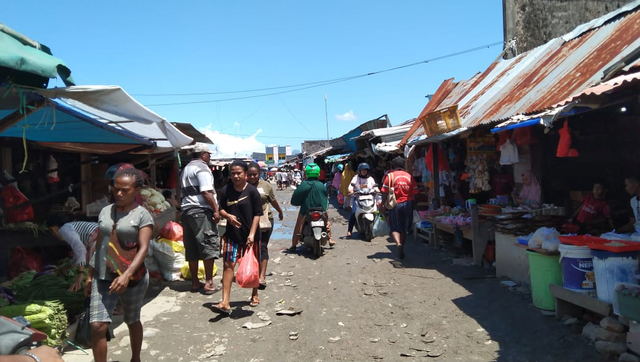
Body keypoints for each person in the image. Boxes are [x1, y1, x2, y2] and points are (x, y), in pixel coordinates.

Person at [86, 168, 152, 362]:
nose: (119, 193)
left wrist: (126, 275)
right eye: (116, 189)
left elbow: (143, 249)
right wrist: (90, 273)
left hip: (133, 278)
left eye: (125, 190)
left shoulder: (142, 215)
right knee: (97, 325)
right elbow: (100, 243)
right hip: (103, 274)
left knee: (132, 320)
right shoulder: (106, 211)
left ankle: (136, 358)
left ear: (137, 190)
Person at [215, 160, 263, 314]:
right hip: (231, 235)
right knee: (229, 265)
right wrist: (228, 216)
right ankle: (225, 301)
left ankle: (254, 294)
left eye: (238, 173)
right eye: (233, 173)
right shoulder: (226, 190)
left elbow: (257, 214)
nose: (235, 176)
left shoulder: (252, 191)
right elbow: (220, 209)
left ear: (246, 175)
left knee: (253, 265)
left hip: (251, 234)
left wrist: (252, 234)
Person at [180, 143, 221, 295]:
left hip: (187, 210)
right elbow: (206, 192)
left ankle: (195, 283)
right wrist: (216, 210)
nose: (209, 158)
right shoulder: (202, 168)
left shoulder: (185, 169)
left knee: (191, 248)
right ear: (203, 154)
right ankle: (209, 283)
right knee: (207, 245)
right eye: (209, 155)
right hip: (200, 211)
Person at [247, 162, 284, 290]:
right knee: (249, 247)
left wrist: (280, 211)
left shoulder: (266, 186)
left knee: (262, 246)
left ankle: (261, 277)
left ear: (259, 174)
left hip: (265, 220)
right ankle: (251, 272)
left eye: (255, 174)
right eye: (250, 174)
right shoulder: (242, 186)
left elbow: (272, 200)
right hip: (247, 222)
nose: (252, 177)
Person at [46, 214, 98, 292]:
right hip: (107, 236)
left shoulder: (64, 230)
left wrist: (80, 273)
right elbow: (78, 254)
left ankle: (92, 297)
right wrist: (68, 266)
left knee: (95, 276)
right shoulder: (71, 227)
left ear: (52, 229)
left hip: (98, 238)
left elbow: (80, 249)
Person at [290, 163, 335, 249]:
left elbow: (295, 198)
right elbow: (326, 198)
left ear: (306, 173)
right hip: (321, 210)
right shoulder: (321, 185)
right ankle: (330, 239)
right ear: (318, 174)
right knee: (326, 222)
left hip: (305, 210)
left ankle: (294, 244)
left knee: (299, 225)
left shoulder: (303, 185)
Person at [380, 158, 419, 259]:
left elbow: (384, 192)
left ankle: (398, 244)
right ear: (403, 166)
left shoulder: (390, 176)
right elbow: (415, 192)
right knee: (404, 228)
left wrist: (382, 204)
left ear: (394, 166)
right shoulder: (409, 176)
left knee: (394, 226)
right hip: (408, 204)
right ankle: (402, 244)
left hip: (395, 204)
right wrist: (414, 205)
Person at [347, 163, 379, 237]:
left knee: (377, 211)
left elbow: (375, 187)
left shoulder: (370, 178)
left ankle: (376, 227)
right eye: (362, 170)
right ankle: (349, 230)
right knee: (353, 213)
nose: (364, 172)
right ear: (360, 171)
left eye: (365, 170)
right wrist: (351, 190)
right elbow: (351, 186)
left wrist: (377, 190)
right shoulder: (356, 178)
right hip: (358, 197)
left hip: (369, 198)